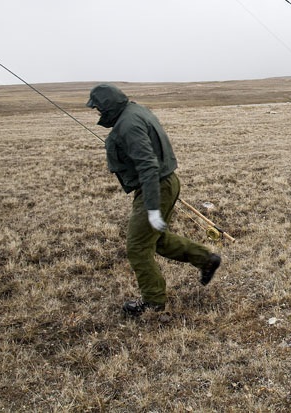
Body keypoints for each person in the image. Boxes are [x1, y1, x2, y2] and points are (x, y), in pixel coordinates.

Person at [86, 84, 221, 317]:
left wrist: (152, 208)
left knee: (138, 247)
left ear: (108, 105)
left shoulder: (128, 125)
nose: (97, 112)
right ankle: (205, 259)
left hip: (156, 186)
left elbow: (148, 165)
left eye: (98, 107)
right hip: (165, 182)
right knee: (156, 240)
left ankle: (153, 302)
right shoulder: (135, 111)